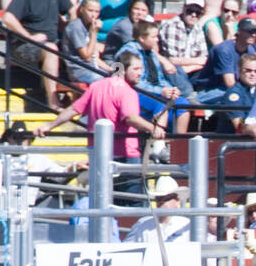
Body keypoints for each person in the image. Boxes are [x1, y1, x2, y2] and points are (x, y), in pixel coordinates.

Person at [35, 51, 166, 200]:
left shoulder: (96, 86)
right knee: (133, 202)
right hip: (125, 155)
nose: (140, 73)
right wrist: (153, 129)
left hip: (98, 154)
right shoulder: (126, 91)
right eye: (136, 69)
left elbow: (73, 109)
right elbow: (130, 118)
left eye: (141, 69)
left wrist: (49, 126)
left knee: (102, 199)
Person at [2, 0, 71, 108]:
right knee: (52, 49)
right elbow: (8, 18)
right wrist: (29, 37)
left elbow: (72, 10)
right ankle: (53, 102)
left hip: (50, 43)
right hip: (23, 46)